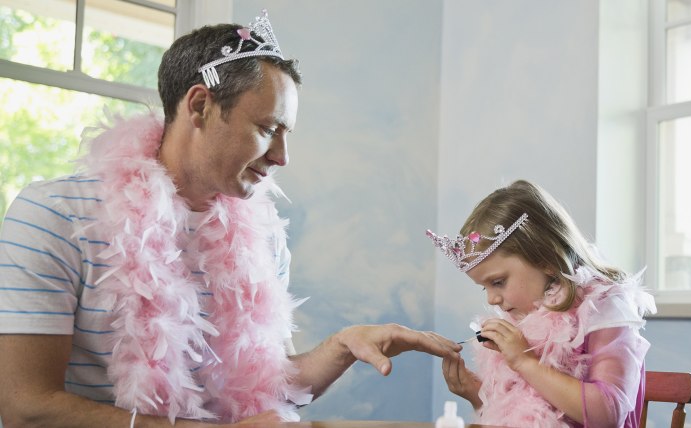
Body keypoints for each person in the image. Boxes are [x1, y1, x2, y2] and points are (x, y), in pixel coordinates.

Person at [0, 11, 461, 427]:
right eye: (267, 129)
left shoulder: (263, 239)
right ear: (199, 105)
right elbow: (26, 408)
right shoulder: (54, 216)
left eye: (286, 134)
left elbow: (259, 386)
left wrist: (341, 346)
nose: (282, 157)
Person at [427, 180, 656, 428]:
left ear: (546, 259)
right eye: (485, 287)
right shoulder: (526, 317)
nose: (491, 299)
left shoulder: (605, 308)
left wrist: (525, 363)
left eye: (499, 282)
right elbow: (525, 415)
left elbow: (608, 413)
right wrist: (476, 393)